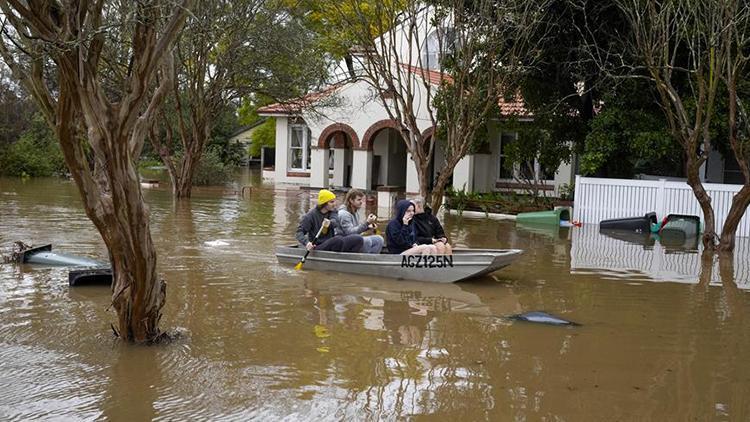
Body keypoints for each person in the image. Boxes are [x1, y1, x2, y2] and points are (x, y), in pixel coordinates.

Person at [296, 189, 363, 253]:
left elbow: (335, 221)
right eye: (331, 202)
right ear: (324, 203)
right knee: (337, 240)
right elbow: (299, 232)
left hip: (331, 242)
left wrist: (330, 223)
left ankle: (348, 258)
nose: (334, 204)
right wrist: (307, 243)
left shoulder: (333, 211)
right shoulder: (310, 216)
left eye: (334, 201)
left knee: (358, 239)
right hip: (317, 246)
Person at [335, 189, 384, 253]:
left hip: (355, 238)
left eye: (361, 200)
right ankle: (363, 260)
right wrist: (366, 223)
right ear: (351, 200)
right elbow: (350, 233)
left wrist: (368, 227)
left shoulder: (355, 211)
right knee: (366, 241)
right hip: (344, 241)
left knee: (379, 239)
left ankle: (372, 260)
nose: (361, 202)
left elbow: (357, 229)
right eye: (359, 200)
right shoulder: (344, 214)